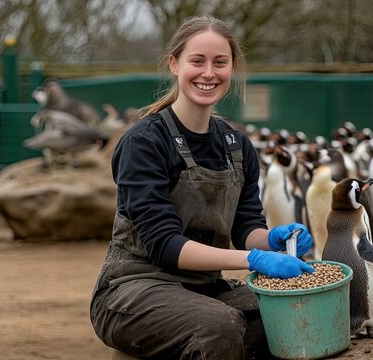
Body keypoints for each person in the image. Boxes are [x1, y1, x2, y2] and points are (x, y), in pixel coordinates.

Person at [90, 15, 314, 359]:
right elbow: (165, 245)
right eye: (197, 61)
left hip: (205, 288)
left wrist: (271, 240)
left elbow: (245, 228)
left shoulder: (237, 144)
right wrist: (254, 259)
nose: (209, 73)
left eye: (219, 63)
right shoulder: (145, 142)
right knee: (218, 326)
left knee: (295, 308)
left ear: (232, 68)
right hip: (132, 290)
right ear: (174, 64)